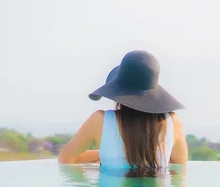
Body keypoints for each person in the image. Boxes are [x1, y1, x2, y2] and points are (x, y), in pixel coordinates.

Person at [58, 50, 188, 168]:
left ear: (117, 91)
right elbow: (179, 164)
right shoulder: (173, 122)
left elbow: (65, 159)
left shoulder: (99, 120)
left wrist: (107, 155)